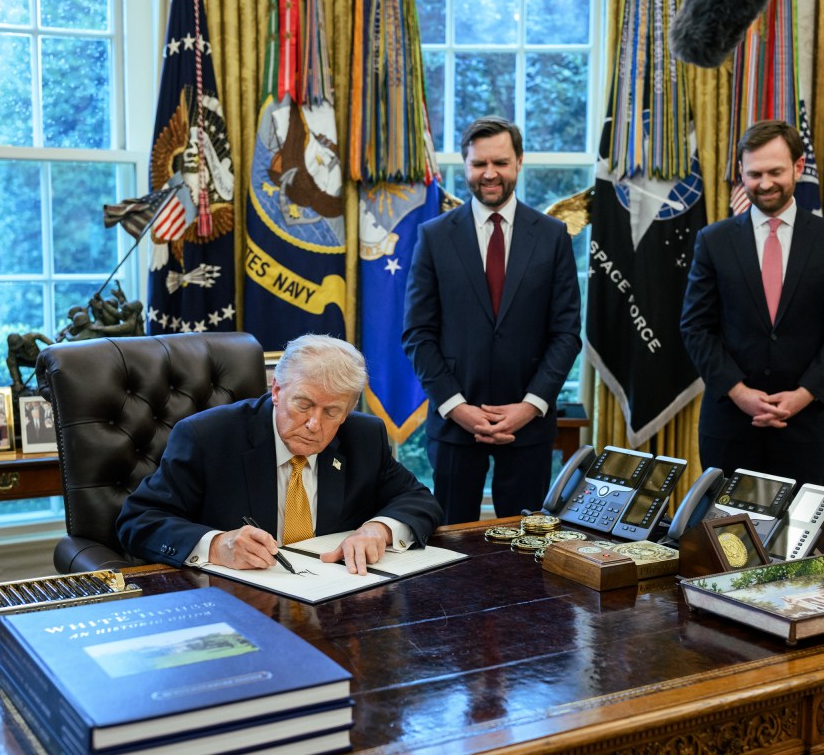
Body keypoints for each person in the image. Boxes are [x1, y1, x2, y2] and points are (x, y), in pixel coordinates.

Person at [117, 334, 443, 575]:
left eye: (332, 412)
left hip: (335, 601)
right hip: (239, 603)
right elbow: (139, 520)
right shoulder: (207, 437)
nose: (314, 424)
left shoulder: (364, 436)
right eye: (303, 405)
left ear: (347, 413)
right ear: (276, 391)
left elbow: (419, 501)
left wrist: (379, 529)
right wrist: (216, 546)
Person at [402, 116, 582, 524]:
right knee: (449, 546)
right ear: (465, 166)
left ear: (519, 162)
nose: (489, 173)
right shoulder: (434, 236)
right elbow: (417, 333)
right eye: (479, 163)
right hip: (454, 425)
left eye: (500, 162)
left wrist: (530, 406)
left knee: (524, 551)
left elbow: (566, 333)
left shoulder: (553, 236)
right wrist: (457, 407)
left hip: (528, 427)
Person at [680, 119, 824, 489]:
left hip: (804, 425)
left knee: (802, 543)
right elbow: (696, 327)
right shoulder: (713, 241)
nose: (764, 184)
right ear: (741, 173)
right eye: (754, 174)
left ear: (798, 167)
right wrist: (739, 392)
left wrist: (804, 394)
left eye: (775, 172)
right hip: (730, 424)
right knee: (726, 542)